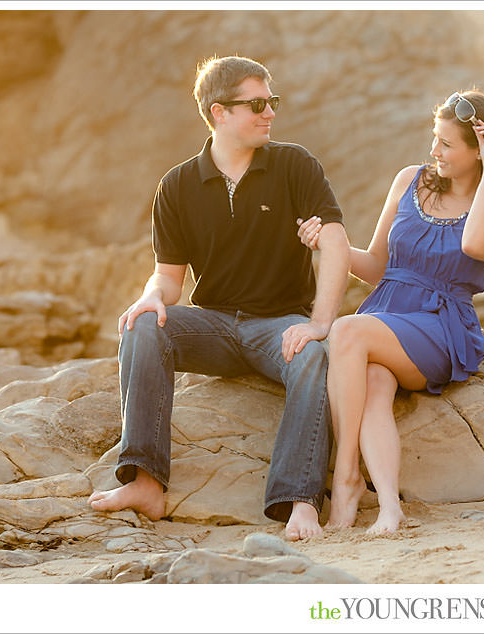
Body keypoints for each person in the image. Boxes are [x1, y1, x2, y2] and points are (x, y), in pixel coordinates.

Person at [88, 56, 350, 541]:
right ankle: (146, 482)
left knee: (314, 356)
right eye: (256, 104)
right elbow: (168, 278)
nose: (270, 112)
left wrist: (319, 322)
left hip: (279, 326)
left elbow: (334, 242)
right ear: (219, 112)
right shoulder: (178, 185)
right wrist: (150, 297)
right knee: (142, 324)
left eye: (272, 101)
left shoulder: (295, 165)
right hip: (212, 326)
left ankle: (300, 502)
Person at [297, 90, 484, 534]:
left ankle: (345, 475)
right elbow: (375, 266)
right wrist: (327, 242)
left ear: (478, 149)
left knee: (346, 331)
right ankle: (389, 505)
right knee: (372, 380)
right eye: (434, 138)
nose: (434, 151)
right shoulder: (411, 180)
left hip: (439, 328)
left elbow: (471, 245)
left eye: (447, 144)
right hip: (388, 313)